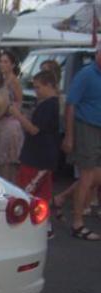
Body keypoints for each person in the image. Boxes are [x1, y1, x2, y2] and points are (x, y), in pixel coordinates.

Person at [9, 70, 60, 238]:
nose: (36, 91)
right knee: (41, 194)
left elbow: (34, 129)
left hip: (38, 158)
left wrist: (18, 115)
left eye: (38, 87)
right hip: (41, 157)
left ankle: (37, 225)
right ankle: (43, 225)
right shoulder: (49, 104)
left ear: (49, 86)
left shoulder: (48, 105)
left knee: (28, 193)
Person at [61, 40, 101, 240]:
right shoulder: (86, 75)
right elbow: (70, 105)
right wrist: (69, 136)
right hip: (86, 128)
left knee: (95, 177)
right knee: (86, 177)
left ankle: (61, 198)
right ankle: (77, 223)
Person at [0, 49, 24, 182]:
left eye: (5, 62)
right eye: (1, 61)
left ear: (12, 65)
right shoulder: (2, 80)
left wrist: (8, 109)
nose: (2, 64)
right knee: (2, 160)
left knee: (7, 161)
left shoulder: (14, 81)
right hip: (1, 122)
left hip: (10, 123)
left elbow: (19, 102)